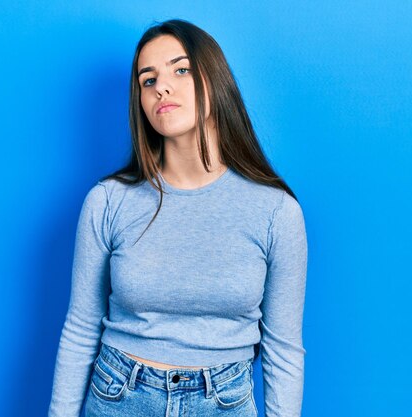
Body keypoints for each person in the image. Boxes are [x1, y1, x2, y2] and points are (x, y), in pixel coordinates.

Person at [48, 18, 308, 417]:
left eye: (181, 69)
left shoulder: (276, 212)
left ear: (214, 80)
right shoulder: (108, 201)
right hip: (119, 397)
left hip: (225, 402)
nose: (161, 87)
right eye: (147, 80)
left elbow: (283, 350)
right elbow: (81, 329)